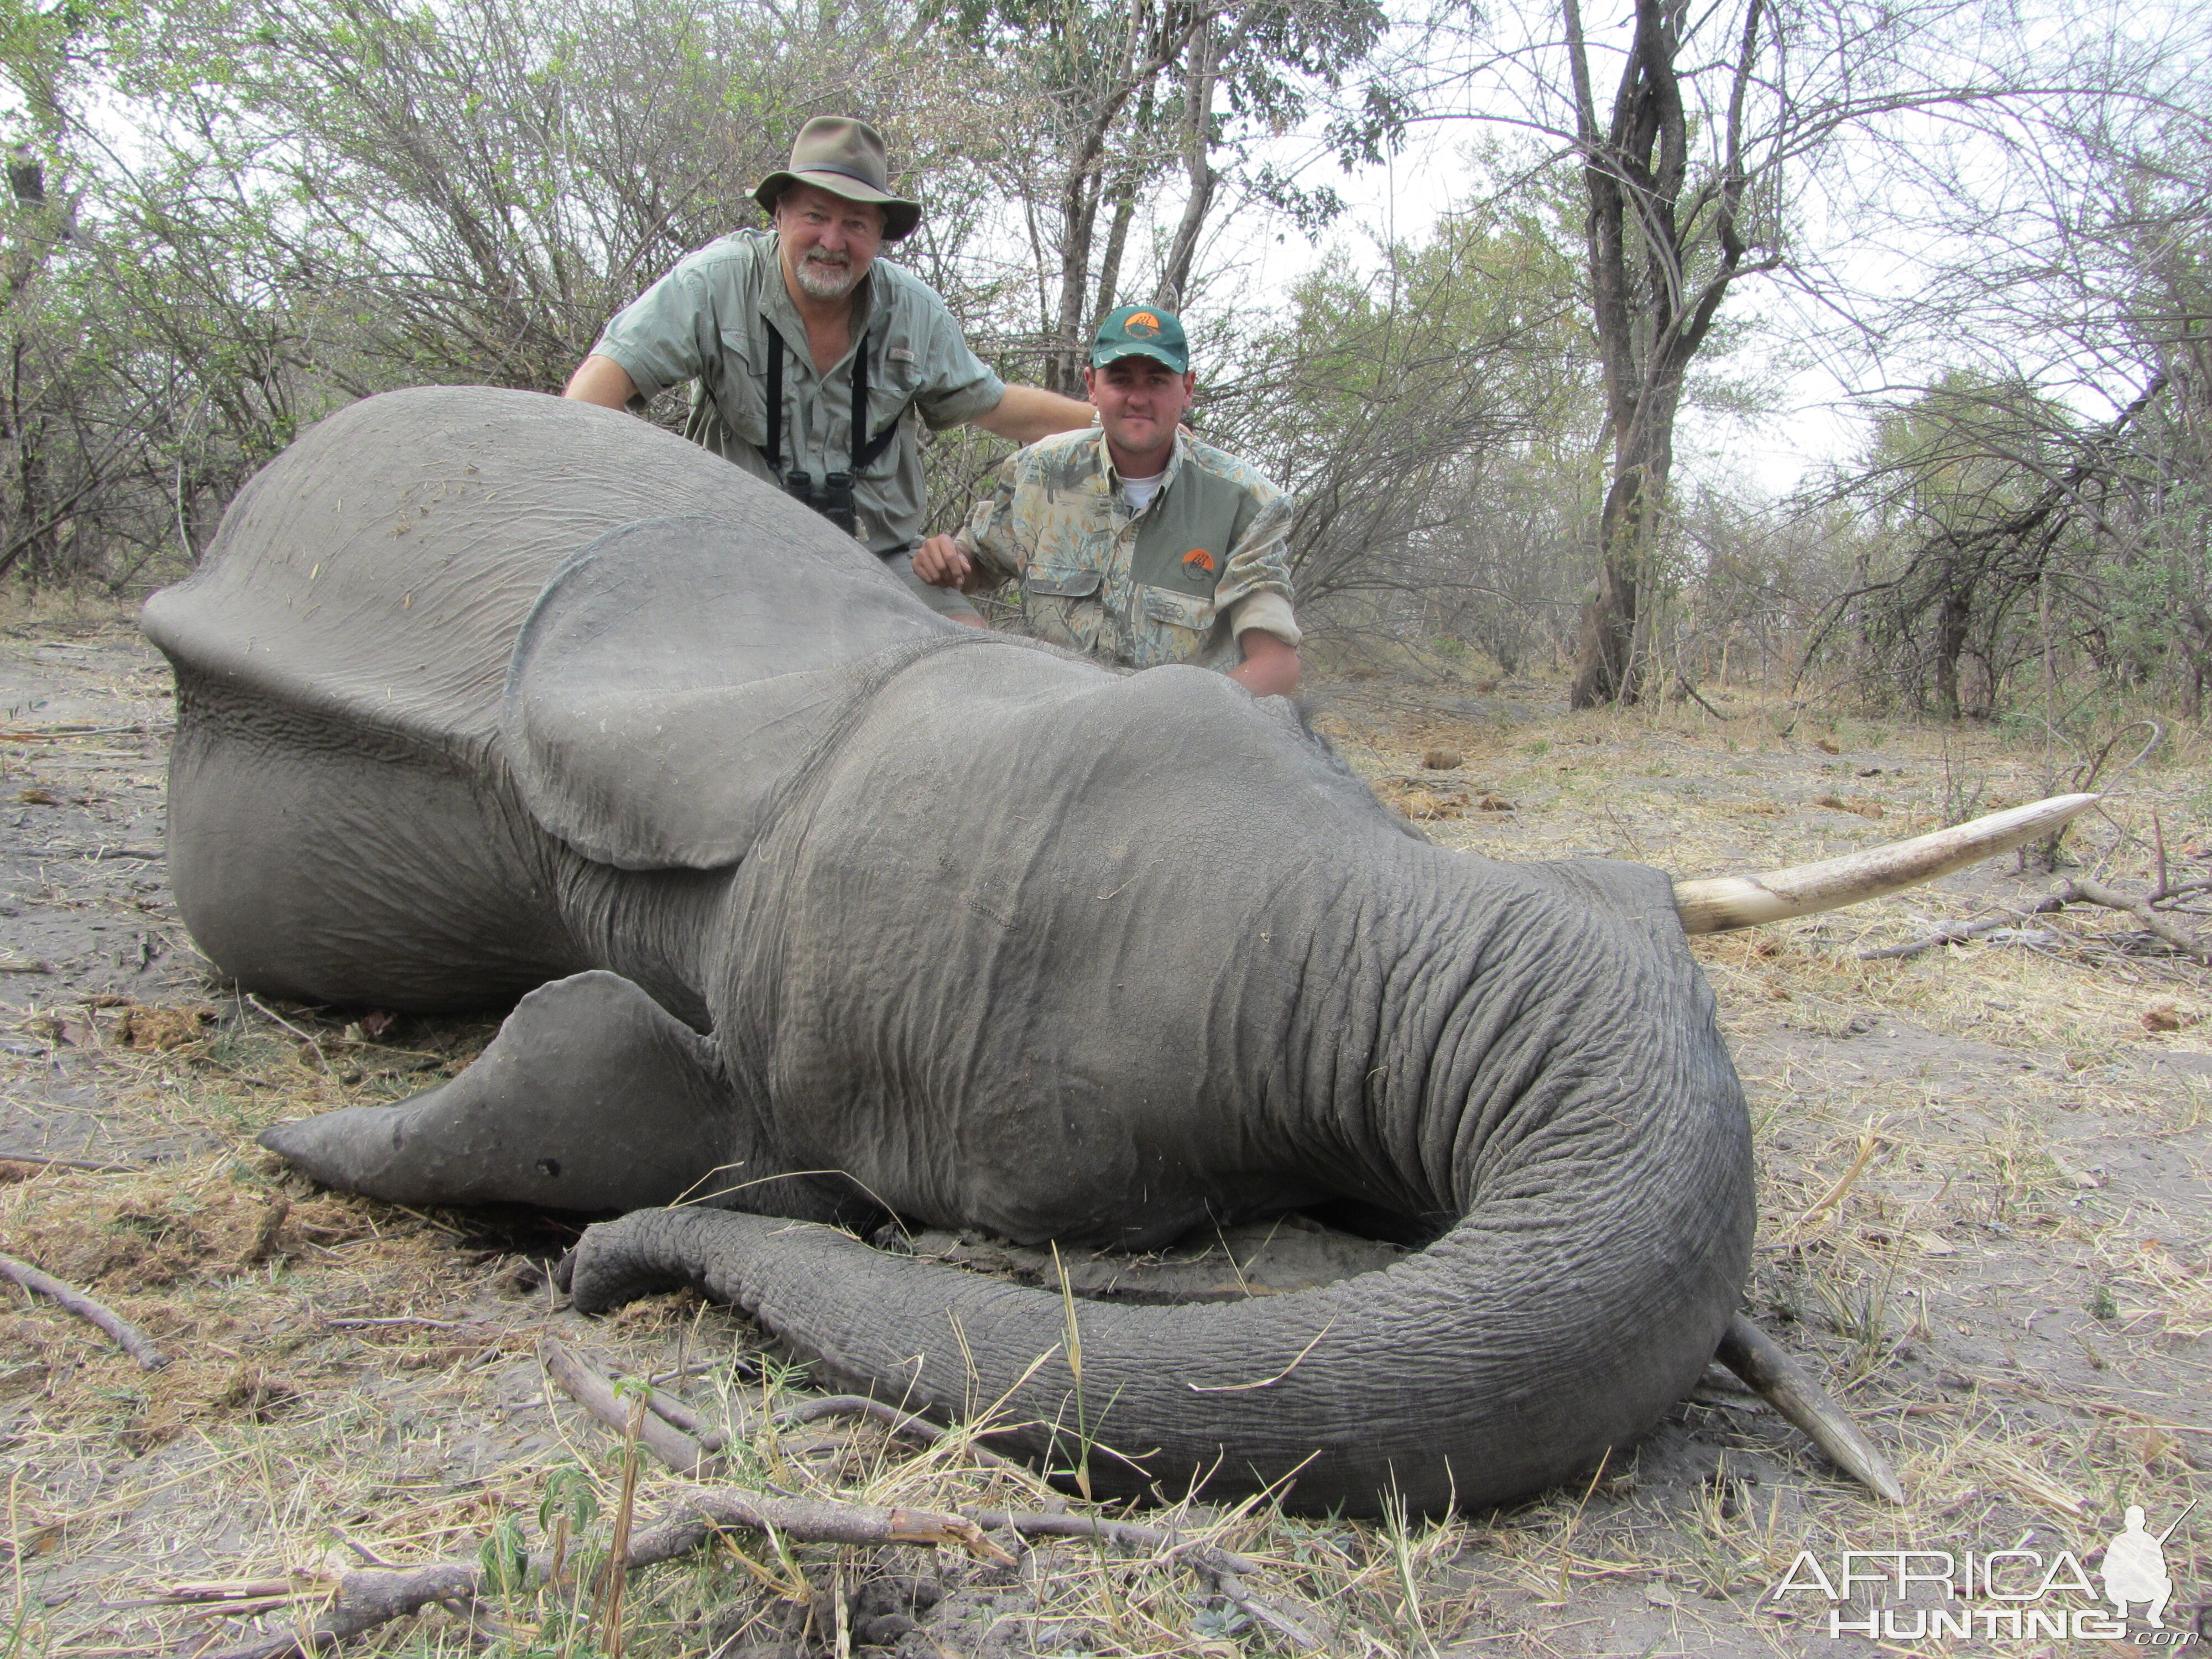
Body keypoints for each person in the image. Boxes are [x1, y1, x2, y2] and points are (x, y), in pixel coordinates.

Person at [564, 116, 1094, 622]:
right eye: (816, 216)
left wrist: (1110, 421)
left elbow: (996, 407)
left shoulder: (914, 311)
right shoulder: (714, 283)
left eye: (856, 223)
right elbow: (598, 390)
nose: (833, 242)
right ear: (780, 215)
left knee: (970, 655)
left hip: (877, 561)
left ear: (881, 235)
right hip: (733, 553)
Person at [912, 305, 1301, 696]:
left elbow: (1276, 663)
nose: (1138, 398)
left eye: (1157, 381)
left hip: (1175, 738)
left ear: (1187, 388)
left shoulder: (1245, 502)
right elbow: (976, 561)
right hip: (1046, 723)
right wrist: (949, 561)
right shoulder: (1037, 472)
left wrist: (1184, 723)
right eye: (1120, 380)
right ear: (1092, 386)